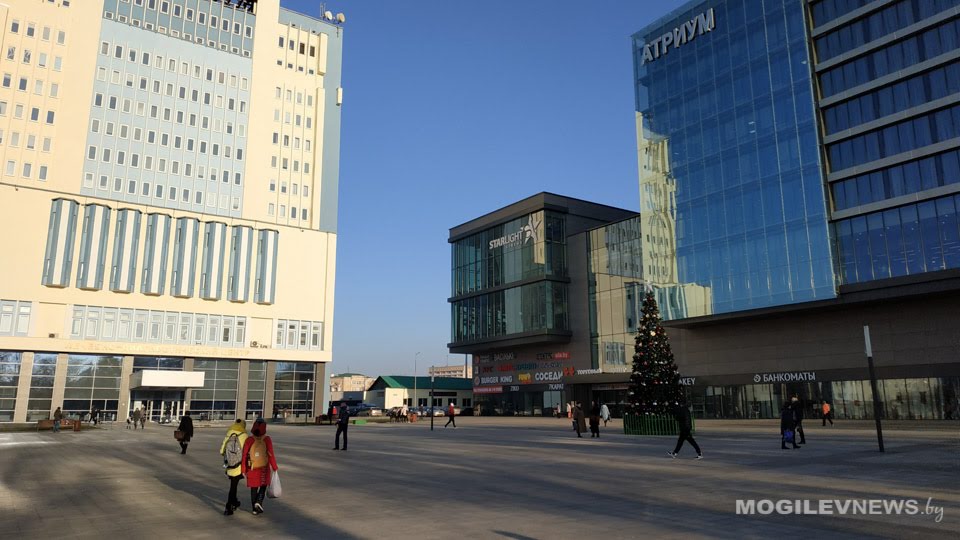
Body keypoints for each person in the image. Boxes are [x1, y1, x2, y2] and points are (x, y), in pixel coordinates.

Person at [241, 418, 278, 515]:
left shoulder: (249, 440)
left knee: (253, 488)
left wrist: (243, 469)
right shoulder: (267, 439)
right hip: (264, 468)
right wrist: (274, 467)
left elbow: (244, 455)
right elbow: (270, 454)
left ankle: (254, 508)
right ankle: (259, 501)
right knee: (263, 485)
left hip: (252, 467)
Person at [220, 419, 249, 516]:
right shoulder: (244, 435)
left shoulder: (229, 433)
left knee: (233, 485)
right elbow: (246, 451)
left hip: (230, 465)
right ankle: (229, 506)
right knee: (233, 486)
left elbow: (222, 450)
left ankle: (234, 502)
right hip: (238, 465)